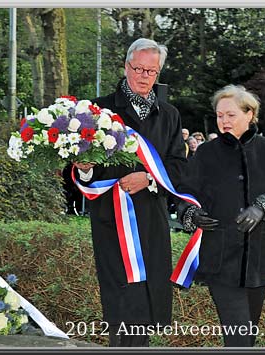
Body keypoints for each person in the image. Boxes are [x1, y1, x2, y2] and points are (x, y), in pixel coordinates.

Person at [73, 38, 187, 347]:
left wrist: (148, 178)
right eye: (138, 68)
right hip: (112, 218)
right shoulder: (98, 110)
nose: (144, 76)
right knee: (121, 301)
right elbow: (83, 168)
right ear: (126, 67)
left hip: (152, 218)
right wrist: (84, 167)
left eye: (152, 71)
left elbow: (178, 166)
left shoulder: (170, 114)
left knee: (148, 301)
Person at [176, 85, 265, 347]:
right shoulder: (206, 153)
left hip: (261, 258)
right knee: (238, 336)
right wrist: (191, 212)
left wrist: (263, 206)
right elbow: (186, 191)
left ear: (249, 114)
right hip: (220, 258)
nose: (224, 121)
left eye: (230, 115)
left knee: (246, 334)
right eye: (220, 115)